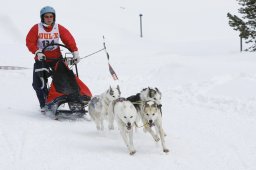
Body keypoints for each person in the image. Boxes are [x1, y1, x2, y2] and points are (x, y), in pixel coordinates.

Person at [26, 6, 81, 112]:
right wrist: (37, 51)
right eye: (46, 17)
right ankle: (44, 104)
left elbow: (68, 38)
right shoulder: (36, 28)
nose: (49, 18)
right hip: (41, 60)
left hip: (56, 59)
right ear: (42, 18)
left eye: (51, 16)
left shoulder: (58, 27)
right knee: (38, 84)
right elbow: (30, 42)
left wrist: (75, 52)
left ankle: (72, 101)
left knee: (66, 80)